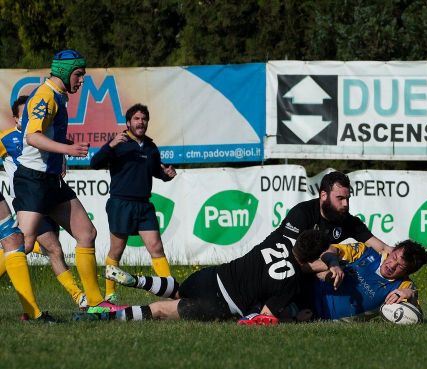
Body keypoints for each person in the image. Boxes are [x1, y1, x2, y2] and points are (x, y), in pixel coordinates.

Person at [15, 49, 117, 312]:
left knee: (87, 233)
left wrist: (63, 146)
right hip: (33, 180)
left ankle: (95, 303)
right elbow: (32, 137)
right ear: (63, 71)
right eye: (78, 74)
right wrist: (67, 150)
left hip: (51, 181)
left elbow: (48, 136)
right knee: (23, 244)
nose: (82, 81)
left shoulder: (60, 96)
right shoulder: (46, 95)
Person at [75, 230, 330, 324]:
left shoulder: (277, 239)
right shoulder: (292, 282)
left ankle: (139, 281)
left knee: (178, 288)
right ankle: (107, 316)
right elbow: (265, 315)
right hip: (220, 304)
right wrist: (294, 317)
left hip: (212, 276)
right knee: (161, 311)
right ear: (312, 258)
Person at [0, 95, 87, 314]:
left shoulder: (44, 134)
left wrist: (63, 158)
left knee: (54, 249)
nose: (27, 118)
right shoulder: (5, 139)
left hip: (49, 195)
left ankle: (81, 299)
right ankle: (79, 299)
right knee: (26, 246)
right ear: (15, 118)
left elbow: (61, 148)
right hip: (29, 199)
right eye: (23, 114)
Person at [90, 103, 177, 302]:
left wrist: (168, 175)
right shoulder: (118, 143)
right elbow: (94, 163)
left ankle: (170, 292)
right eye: (136, 119)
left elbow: (157, 171)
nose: (141, 122)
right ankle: (110, 294)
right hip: (121, 204)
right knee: (116, 251)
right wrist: (110, 145)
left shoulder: (151, 147)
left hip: (144, 205)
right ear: (128, 122)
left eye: (144, 119)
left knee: (156, 247)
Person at [268, 170, 394, 288]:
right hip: (274, 268)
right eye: (340, 198)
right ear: (323, 195)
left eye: (347, 199)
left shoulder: (348, 220)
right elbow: (290, 260)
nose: (346, 204)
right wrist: (332, 264)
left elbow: (383, 248)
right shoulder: (302, 213)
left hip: (305, 274)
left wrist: (407, 281)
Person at [293, 239, 427, 322]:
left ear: (408, 272)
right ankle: (290, 270)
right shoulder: (365, 252)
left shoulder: (404, 286)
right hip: (303, 288)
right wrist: (334, 264)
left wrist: (411, 295)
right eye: (394, 257)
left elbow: (415, 317)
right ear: (392, 250)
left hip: (319, 316)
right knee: (328, 261)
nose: (392, 265)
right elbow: (332, 249)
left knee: (280, 315)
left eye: (401, 266)